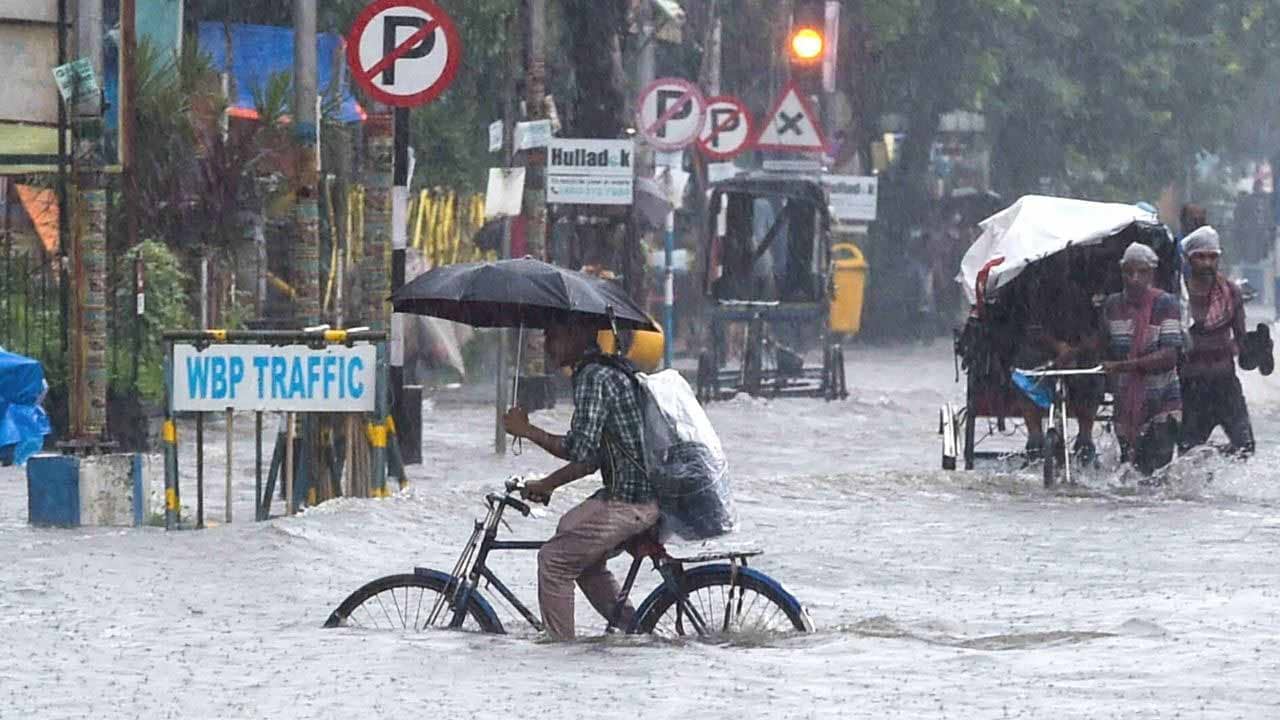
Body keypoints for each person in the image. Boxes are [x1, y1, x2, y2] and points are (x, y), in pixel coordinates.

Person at [501, 318, 658, 641]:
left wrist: (526, 430)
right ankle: (637, 633)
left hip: (632, 501)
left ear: (576, 335)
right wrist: (548, 484)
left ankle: (560, 653)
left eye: (552, 334)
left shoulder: (593, 378)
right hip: (636, 494)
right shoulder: (605, 370)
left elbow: (578, 447)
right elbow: (593, 458)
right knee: (570, 534)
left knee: (554, 560)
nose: (546, 345)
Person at [1009, 257, 1104, 463]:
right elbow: (1030, 329)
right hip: (1040, 354)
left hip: (1077, 354)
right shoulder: (1031, 291)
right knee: (1024, 372)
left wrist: (1075, 350)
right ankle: (1034, 433)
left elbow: (1096, 332)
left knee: (1093, 373)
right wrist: (1057, 347)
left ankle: (1085, 435)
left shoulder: (1083, 293)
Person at [1100, 243, 1183, 475]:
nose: (1134, 278)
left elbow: (1169, 357)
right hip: (1125, 405)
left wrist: (1123, 366)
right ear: (1121, 272)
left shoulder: (1166, 303)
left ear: (1152, 274)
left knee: (1155, 476)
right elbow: (1103, 347)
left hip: (1162, 404)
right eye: (1129, 272)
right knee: (1131, 474)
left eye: (1142, 272)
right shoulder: (1112, 305)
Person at [1178, 226, 1255, 456]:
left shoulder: (1230, 293)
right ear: (1188, 259)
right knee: (1187, 452)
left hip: (1225, 384)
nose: (1207, 263)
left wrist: (1256, 350)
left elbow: (1242, 346)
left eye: (1212, 256)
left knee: (1245, 448)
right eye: (1200, 256)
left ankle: (1211, 461)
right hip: (1191, 386)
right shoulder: (1177, 295)